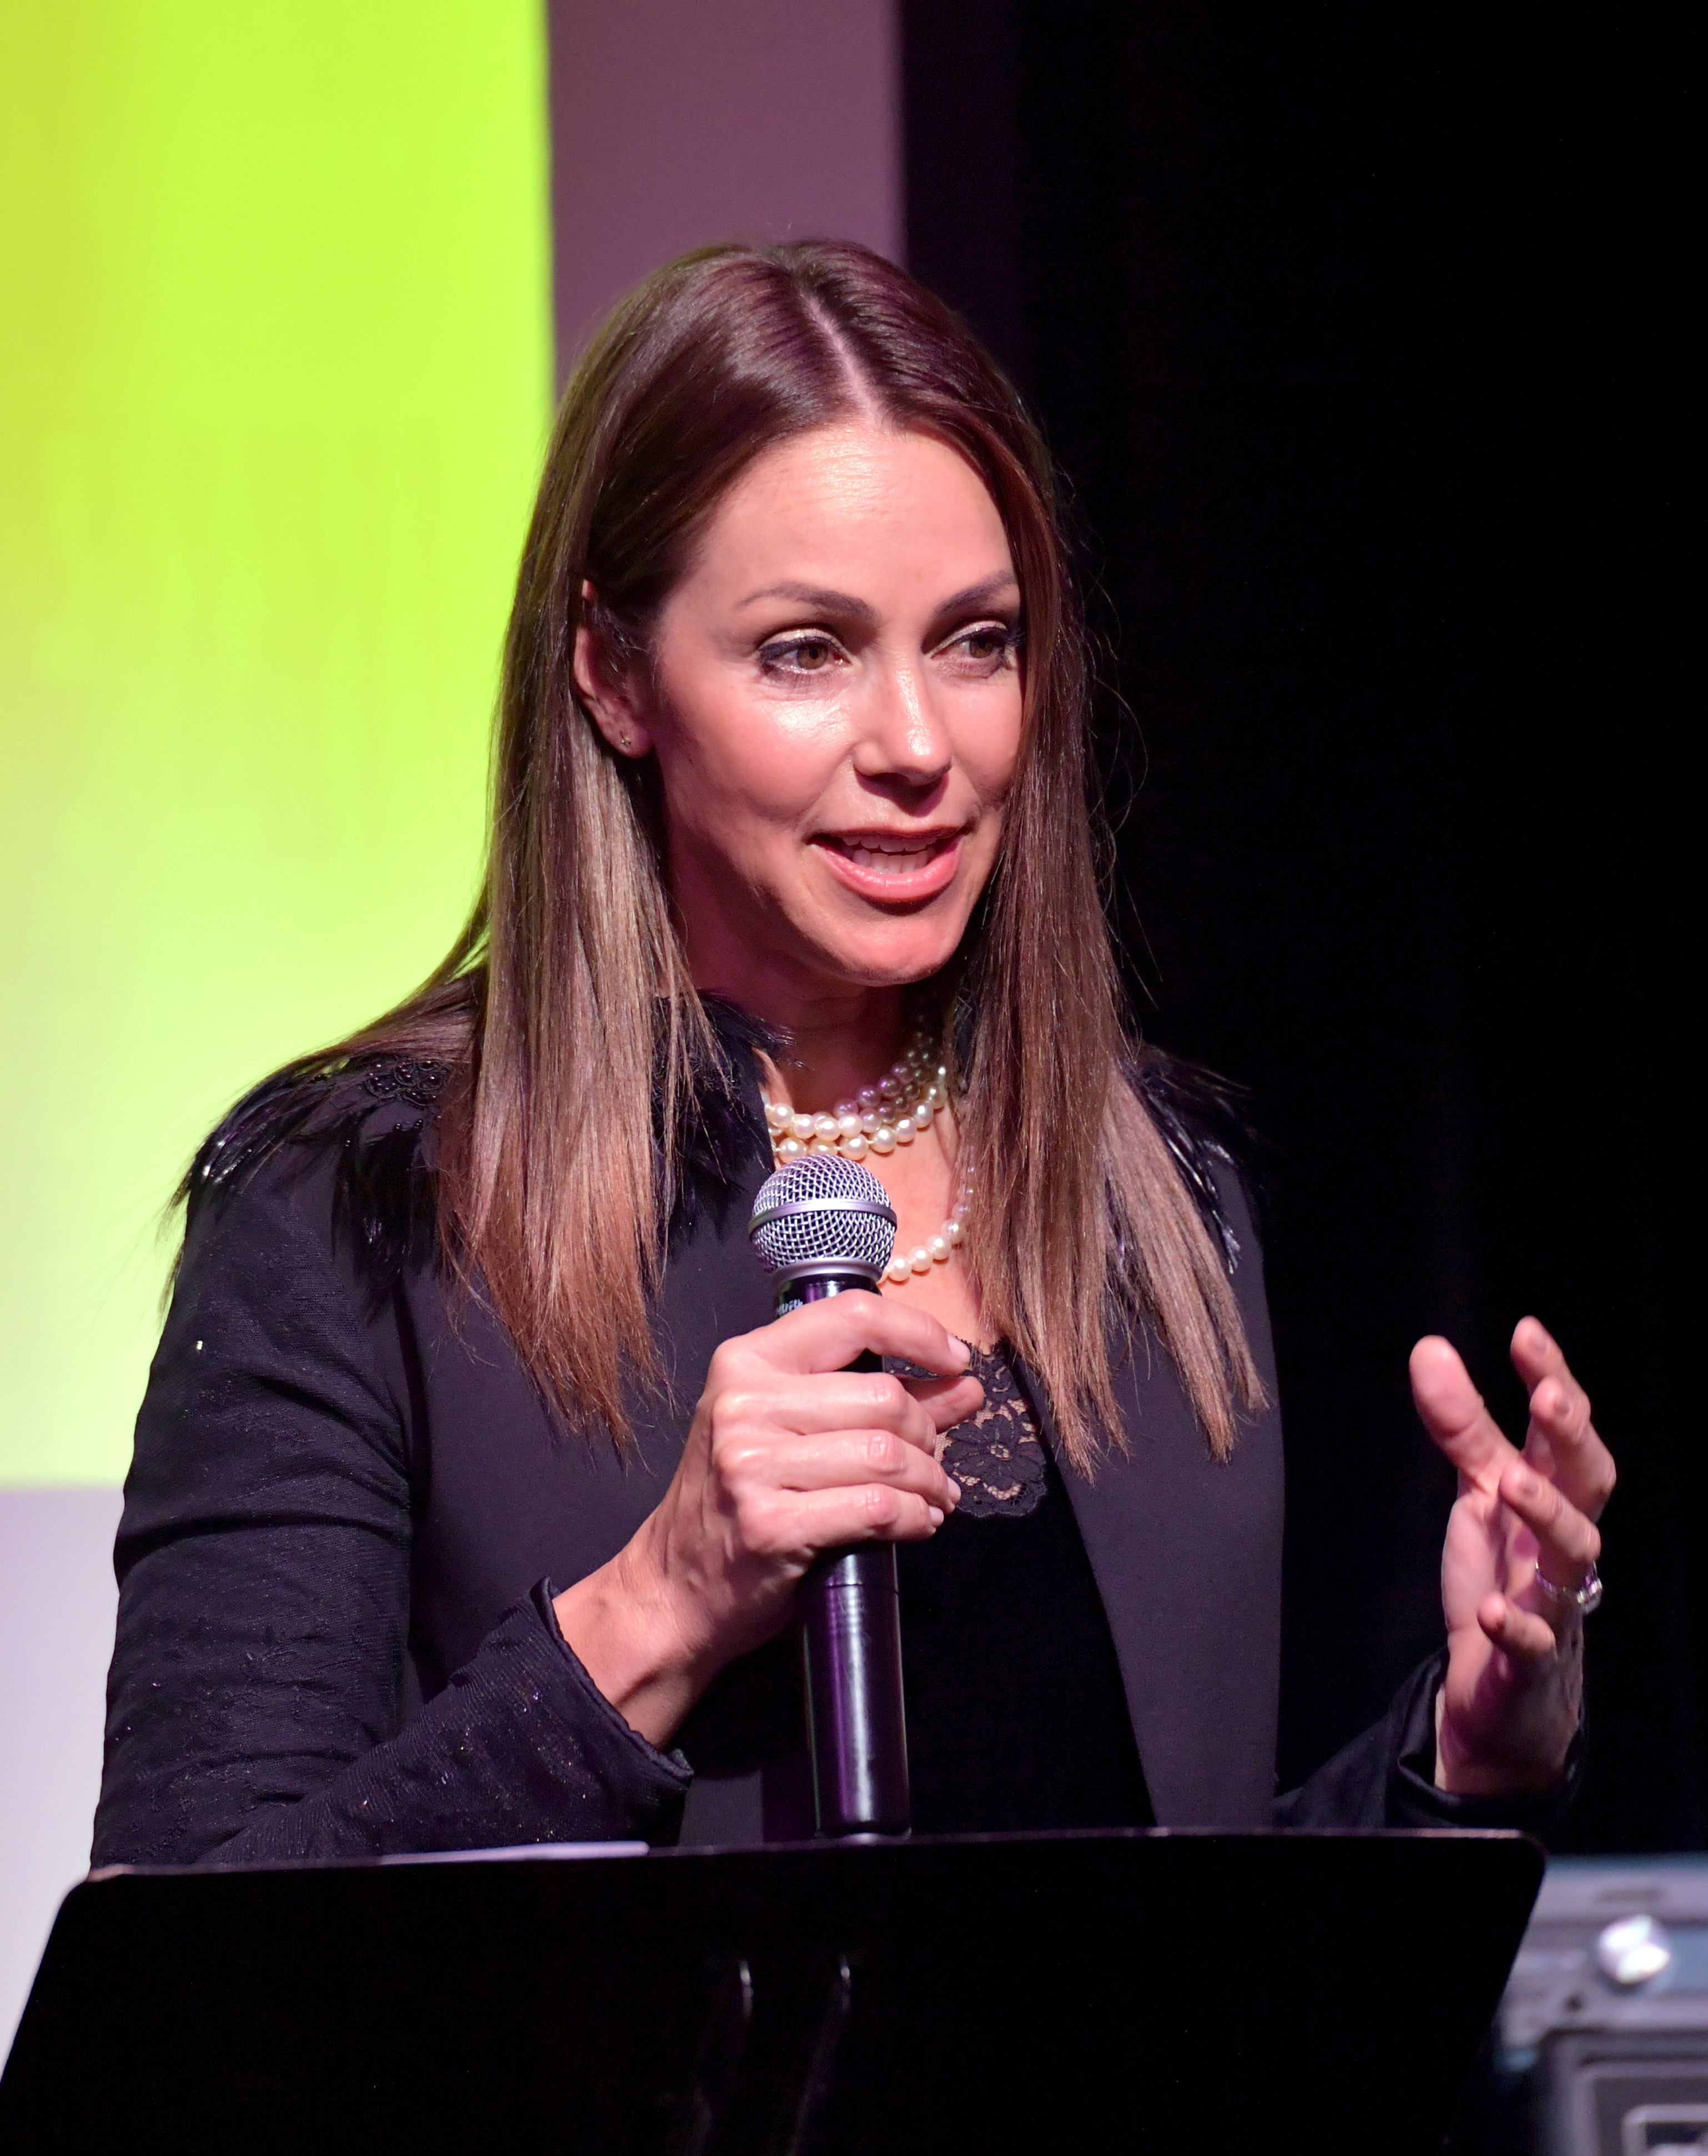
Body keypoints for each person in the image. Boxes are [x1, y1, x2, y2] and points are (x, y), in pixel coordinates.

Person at [92, 242, 1614, 1866]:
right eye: (806, 650)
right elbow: (196, 1972)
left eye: (976, 641)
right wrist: (654, 1611)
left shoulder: (1153, 1198)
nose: (917, 745)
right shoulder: (363, 1204)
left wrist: (1460, 1762)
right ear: (615, 676)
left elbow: (1184, 1992)